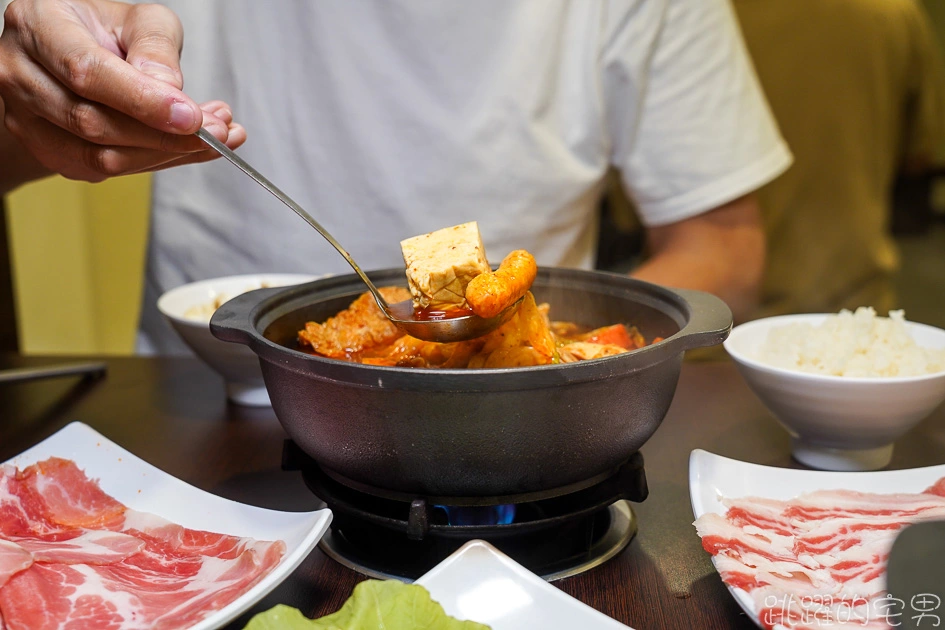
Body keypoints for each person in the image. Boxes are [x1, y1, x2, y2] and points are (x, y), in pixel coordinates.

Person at [0, 0, 792, 354]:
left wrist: (580, 369)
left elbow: (723, 250)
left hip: (521, 427)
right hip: (199, 418)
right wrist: (30, 118)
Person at [731, 0, 945, 319]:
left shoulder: (684, 16)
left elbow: (633, 207)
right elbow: (921, 154)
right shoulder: (892, 12)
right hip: (852, 325)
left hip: (698, 334)